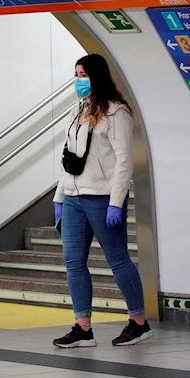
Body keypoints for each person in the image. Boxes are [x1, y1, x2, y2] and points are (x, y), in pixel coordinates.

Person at [52, 53, 152, 348]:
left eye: (83, 74)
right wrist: (60, 196)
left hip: (103, 198)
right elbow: (69, 158)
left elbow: (124, 161)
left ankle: (139, 322)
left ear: (97, 76)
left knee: (118, 260)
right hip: (74, 197)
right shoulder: (78, 109)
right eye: (76, 74)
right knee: (73, 262)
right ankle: (83, 328)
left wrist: (115, 202)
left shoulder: (115, 112)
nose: (78, 80)